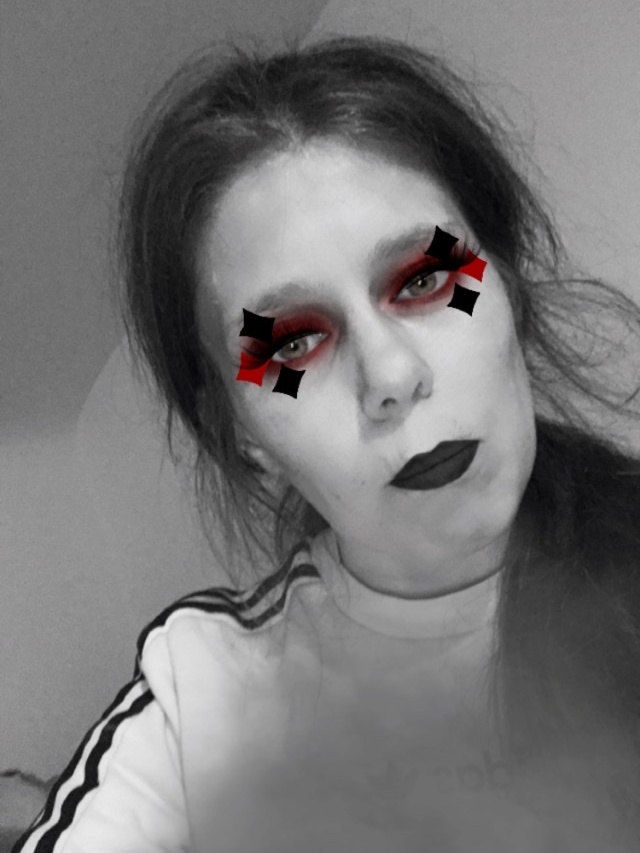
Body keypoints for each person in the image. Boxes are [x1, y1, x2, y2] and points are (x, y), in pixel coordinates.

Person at [13, 34, 640, 853]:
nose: (391, 375)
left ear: (507, 287)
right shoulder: (199, 696)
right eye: (293, 345)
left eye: (426, 280)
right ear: (242, 435)